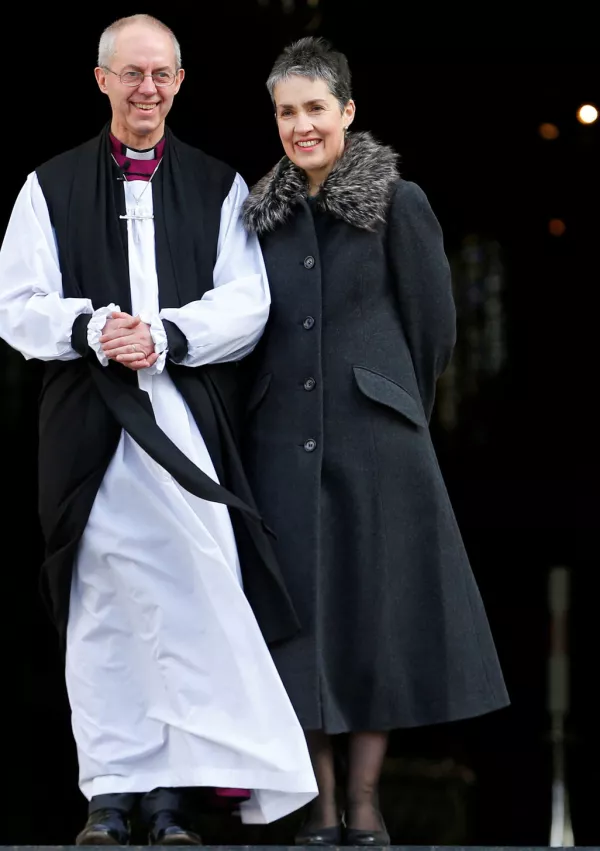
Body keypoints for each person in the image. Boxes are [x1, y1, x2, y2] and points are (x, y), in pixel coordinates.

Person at [0, 14, 316, 846]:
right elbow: (17, 304)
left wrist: (168, 334)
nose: (148, 88)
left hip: (183, 419)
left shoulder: (219, 185)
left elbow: (247, 302)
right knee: (101, 604)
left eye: (162, 74)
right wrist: (93, 327)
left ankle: (174, 797)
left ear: (179, 83)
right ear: (101, 79)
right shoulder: (48, 186)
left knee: (194, 599)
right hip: (88, 420)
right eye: (132, 73)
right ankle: (110, 795)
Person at [242, 37, 509, 847]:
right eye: (286, 112)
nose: (301, 125)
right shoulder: (256, 216)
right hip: (281, 444)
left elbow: (434, 328)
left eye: (315, 108)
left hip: (377, 446)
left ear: (347, 111)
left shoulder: (399, 201)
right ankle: (320, 806)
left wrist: (390, 401)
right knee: (299, 626)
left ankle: (364, 803)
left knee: (374, 619)